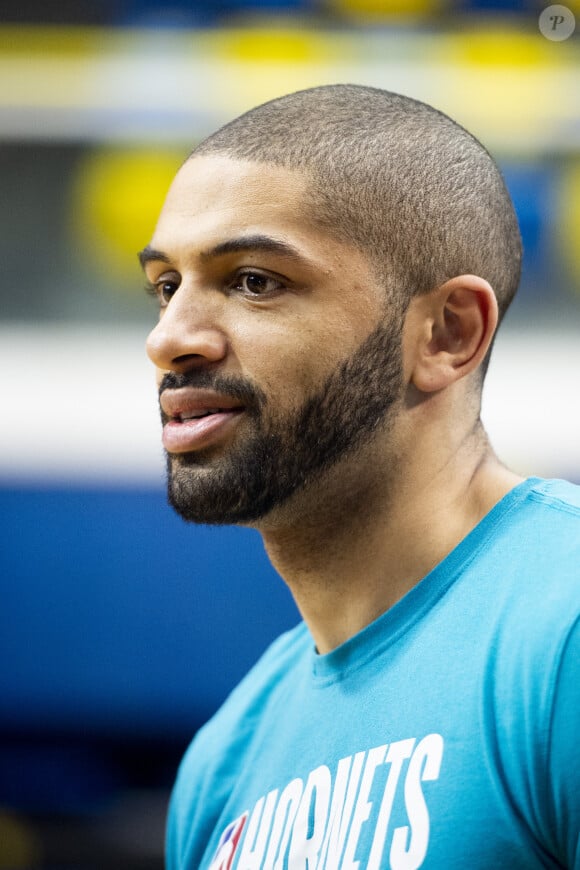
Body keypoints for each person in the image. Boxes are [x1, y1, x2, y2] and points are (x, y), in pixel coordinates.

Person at [141, 84, 580, 869]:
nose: (169, 339)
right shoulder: (223, 762)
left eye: (253, 281)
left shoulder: (561, 634)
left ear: (448, 333)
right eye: (167, 286)